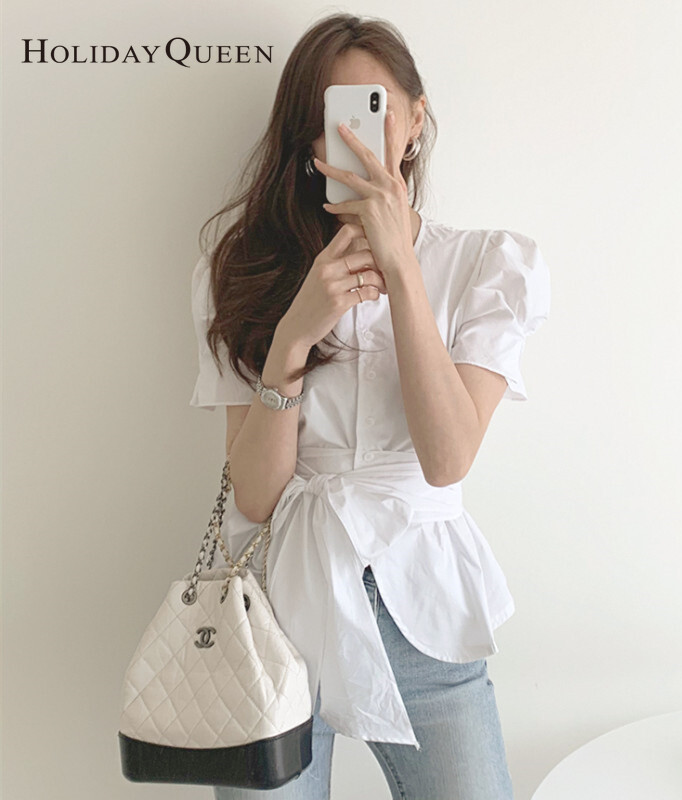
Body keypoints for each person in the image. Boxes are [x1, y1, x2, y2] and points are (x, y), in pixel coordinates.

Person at [189, 12, 550, 800]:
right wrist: (293, 334)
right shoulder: (246, 269)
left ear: (416, 120)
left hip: (426, 610)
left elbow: (447, 458)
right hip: (278, 607)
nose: (355, 135)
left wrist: (401, 266)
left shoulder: (486, 265)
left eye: (374, 109)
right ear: (308, 139)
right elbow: (255, 496)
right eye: (333, 114)